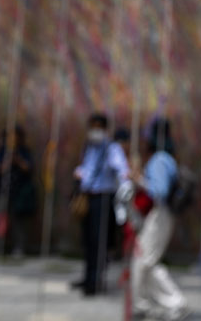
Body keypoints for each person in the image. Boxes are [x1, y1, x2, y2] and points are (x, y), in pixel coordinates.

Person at [130, 118, 188, 321]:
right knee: (144, 261)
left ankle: (174, 302)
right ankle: (144, 304)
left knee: (145, 261)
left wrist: (139, 180)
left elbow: (159, 192)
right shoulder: (166, 158)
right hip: (161, 215)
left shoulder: (160, 160)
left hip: (159, 214)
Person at [72, 113, 129, 296]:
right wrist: (80, 172)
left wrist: (125, 190)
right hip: (88, 196)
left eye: (98, 127)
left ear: (105, 129)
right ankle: (88, 277)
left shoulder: (112, 148)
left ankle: (96, 280)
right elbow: (87, 168)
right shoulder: (89, 147)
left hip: (103, 198)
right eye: (92, 127)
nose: (94, 131)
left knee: (99, 241)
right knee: (88, 240)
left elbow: (122, 170)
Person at [0, 125, 35, 258]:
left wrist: (18, 160)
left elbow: (29, 168)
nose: (12, 139)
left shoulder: (24, 151)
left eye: (15, 136)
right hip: (2, 190)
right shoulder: (2, 151)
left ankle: (19, 247)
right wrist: (6, 163)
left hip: (19, 192)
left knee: (18, 221)